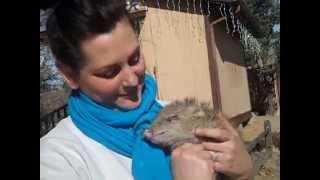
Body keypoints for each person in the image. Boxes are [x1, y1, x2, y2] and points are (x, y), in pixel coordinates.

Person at [40, 0, 253, 180]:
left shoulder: (177, 113)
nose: (132, 80)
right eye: (109, 73)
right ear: (70, 76)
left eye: (135, 59)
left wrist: (244, 173)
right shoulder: (58, 160)